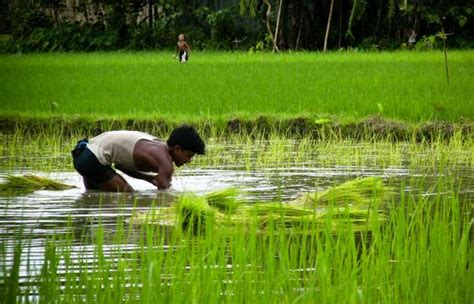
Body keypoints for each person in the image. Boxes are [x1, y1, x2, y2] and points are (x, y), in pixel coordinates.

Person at [71, 125, 205, 192]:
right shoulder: (166, 162)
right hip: (93, 159)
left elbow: (120, 166)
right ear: (177, 149)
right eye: (189, 155)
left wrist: (150, 179)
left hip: (83, 155)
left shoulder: (155, 145)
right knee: (129, 196)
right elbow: (164, 195)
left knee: (93, 198)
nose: (189, 161)